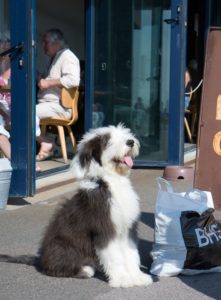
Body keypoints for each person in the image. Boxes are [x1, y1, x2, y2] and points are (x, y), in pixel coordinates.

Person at [36, 28, 80, 161]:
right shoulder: (55, 58)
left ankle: (46, 141)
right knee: (18, 112)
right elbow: (48, 81)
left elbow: (73, 80)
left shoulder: (67, 56)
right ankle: (48, 145)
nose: (43, 45)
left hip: (59, 106)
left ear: (57, 43)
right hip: (49, 104)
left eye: (46, 42)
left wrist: (47, 84)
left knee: (24, 115)